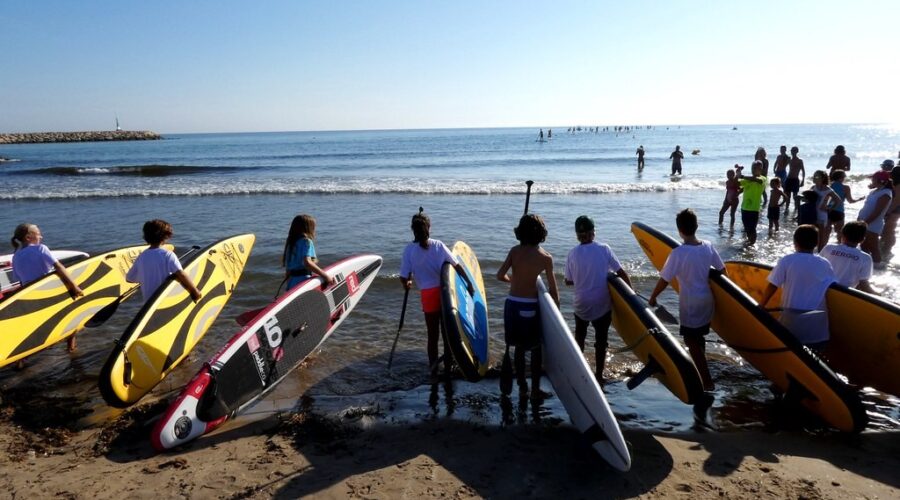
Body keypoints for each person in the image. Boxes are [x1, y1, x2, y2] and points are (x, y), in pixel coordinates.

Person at [648, 209, 723, 392]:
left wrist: (653, 297)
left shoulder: (678, 253)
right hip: (707, 300)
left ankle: (706, 381)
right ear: (696, 226)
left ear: (679, 230)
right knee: (699, 337)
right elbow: (722, 270)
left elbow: (665, 279)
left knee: (690, 340)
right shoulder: (708, 246)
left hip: (690, 303)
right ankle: (701, 369)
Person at [399, 209, 474, 378]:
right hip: (445, 294)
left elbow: (404, 277)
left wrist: (408, 284)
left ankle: (433, 368)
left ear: (412, 229)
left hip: (428, 295)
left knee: (432, 336)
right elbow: (456, 265)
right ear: (429, 228)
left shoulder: (409, 250)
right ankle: (449, 364)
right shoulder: (438, 245)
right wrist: (469, 284)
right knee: (447, 333)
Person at [497, 213, 559, 400]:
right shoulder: (546, 258)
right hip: (530, 307)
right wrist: (556, 317)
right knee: (535, 348)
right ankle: (535, 389)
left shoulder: (514, 251)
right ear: (541, 234)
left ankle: (522, 385)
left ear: (520, 232)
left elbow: (500, 275)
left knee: (518, 347)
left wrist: (514, 280)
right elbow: (554, 292)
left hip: (512, 305)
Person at [564, 215, 631, 382]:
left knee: (580, 337)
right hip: (601, 304)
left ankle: (579, 371)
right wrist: (632, 296)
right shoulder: (604, 249)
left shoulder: (572, 254)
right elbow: (622, 273)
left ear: (577, 235)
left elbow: (568, 281)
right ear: (593, 233)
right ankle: (599, 375)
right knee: (601, 341)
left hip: (581, 304)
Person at [760, 225, 836, 352]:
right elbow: (832, 288)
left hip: (792, 325)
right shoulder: (825, 263)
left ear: (795, 242)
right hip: (818, 329)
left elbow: (773, 285)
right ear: (816, 243)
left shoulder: (787, 260)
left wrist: (761, 306)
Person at [10, 223, 84, 352]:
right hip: (47, 290)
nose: (41, 236)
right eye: (38, 234)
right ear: (28, 237)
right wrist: (74, 286)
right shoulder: (41, 248)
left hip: (30, 294)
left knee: (37, 324)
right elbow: (59, 267)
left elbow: (19, 279)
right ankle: (71, 348)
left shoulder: (16, 255)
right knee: (72, 316)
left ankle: (20, 360)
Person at [127, 219, 202, 305]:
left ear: (146, 237)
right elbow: (181, 274)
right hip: (165, 303)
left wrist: (145, 277)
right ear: (167, 236)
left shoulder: (141, 257)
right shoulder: (168, 255)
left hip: (148, 306)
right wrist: (195, 291)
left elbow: (129, 278)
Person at [820, 221, 876, 294]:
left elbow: (817, 267)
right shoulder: (865, 258)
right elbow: (864, 285)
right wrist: (879, 296)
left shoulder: (829, 248)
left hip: (823, 289)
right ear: (862, 240)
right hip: (845, 294)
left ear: (842, 235)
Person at [282, 214, 333, 291]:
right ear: (309, 228)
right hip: (303, 282)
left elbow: (288, 270)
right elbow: (307, 262)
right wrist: (325, 276)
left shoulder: (290, 243)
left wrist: (288, 288)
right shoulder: (306, 241)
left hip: (292, 283)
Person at [857, 169, 894, 267]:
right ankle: (867, 266)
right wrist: (859, 219)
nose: (872, 181)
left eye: (873, 179)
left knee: (873, 247)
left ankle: (877, 266)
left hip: (873, 224)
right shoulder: (874, 191)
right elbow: (866, 207)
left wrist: (865, 223)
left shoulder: (886, 193)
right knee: (863, 246)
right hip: (864, 221)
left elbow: (878, 212)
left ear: (880, 181)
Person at [826, 169, 864, 245]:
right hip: (839, 210)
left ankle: (823, 248)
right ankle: (839, 248)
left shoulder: (829, 186)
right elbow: (850, 201)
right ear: (841, 177)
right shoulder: (845, 187)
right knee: (840, 232)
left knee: (826, 231)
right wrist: (859, 199)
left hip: (829, 210)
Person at [737, 161, 767, 245]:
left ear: (761, 170)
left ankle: (752, 244)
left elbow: (756, 180)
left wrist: (742, 176)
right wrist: (738, 172)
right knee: (746, 228)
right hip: (744, 208)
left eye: (756, 168)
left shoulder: (763, 179)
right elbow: (738, 183)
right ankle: (749, 242)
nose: (754, 170)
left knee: (752, 228)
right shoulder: (747, 180)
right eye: (753, 168)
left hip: (754, 209)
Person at [810, 170, 840, 251]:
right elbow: (808, 199)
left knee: (821, 236)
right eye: (814, 176)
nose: (814, 178)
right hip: (813, 213)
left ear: (823, 178)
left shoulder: (828, 189)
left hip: (822, 215)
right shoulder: (813, 188)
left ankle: (820, 253)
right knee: (812, 235)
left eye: (816, 177)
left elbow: (838, 200)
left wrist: (829, 208)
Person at [880, 164, 900, 258]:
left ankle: (887, 250)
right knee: (887, 230)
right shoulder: (894, 183)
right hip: (893, 209)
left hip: (895, 210)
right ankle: (885, 249)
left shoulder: (899, 185)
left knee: (889, 230)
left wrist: (888, 211)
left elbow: (897, 200)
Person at [784, 146, 806, 213]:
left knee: (795, 196)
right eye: (791, 151)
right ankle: (786, 208)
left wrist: (803, 180)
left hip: (795, 179)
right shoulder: (789, 160)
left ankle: (796, 209)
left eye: (794, 151)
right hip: (788, 179)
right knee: (787, 195)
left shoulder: (800, 161)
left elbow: (803, 171)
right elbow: (783, 167)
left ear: (797, 151)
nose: (792, 152)